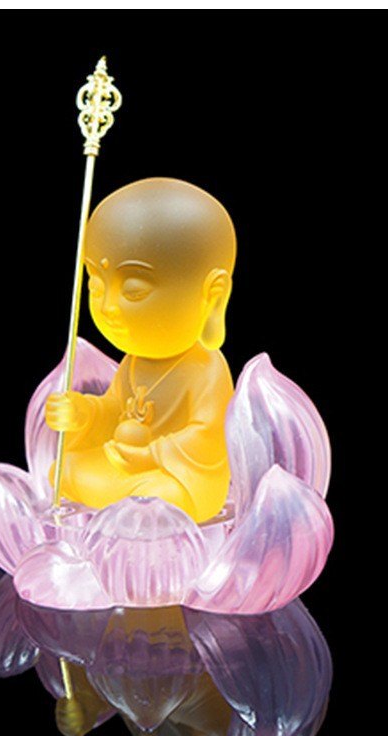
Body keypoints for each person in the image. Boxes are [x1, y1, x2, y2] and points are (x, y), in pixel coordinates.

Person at [46, 178, 236, 523]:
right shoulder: (132, 363)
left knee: (162, 498)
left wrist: (150, 454)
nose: (108, 307)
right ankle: (129, 513)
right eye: (96, 287)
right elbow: (114, 409)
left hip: (173, 477)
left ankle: (141, 515)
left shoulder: (206, 368)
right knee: (64, 470)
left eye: (133, 291)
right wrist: (83, 413)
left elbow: (208, 437)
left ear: (213, 294)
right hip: (125, 468)